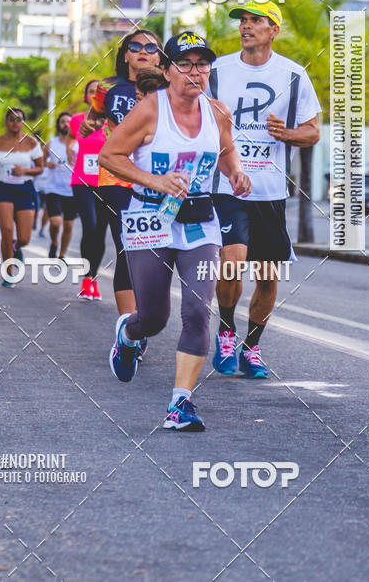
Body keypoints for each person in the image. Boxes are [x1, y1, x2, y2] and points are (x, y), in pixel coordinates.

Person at [99, 32, 250, 431]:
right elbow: (110, 156)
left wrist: (234, 171)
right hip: (149, 216)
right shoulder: (150, 110)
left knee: (199, 311)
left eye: (202, 64)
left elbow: (226, 148)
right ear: (167, 71)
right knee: (153, 317)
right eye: (185, 63)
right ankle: (129, 335)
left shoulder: (217, 112)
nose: (194, 72)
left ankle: (180, 403)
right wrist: (155, 180)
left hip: (200, 218)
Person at [207, 0, 321, 378]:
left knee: (268, 274)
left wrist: (286, 134)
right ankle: (226, 332)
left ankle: (251, 347)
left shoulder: (292, 75)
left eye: (257, 20)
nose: (246, 26)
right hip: (227, 184)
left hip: (271, 191)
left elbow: (313, 130)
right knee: (232, 261)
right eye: (243, 20)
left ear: (274, 30)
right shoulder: (218, 70)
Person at [79, 29, 163, 321]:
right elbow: (93, 118)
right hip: (116, 175)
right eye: (135, 45)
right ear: (125, 54)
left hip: (158, 178)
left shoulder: (170, 88)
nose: (143, 50)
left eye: (151, 47)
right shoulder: (107, 87)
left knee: (151, 251)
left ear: (160, 55)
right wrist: (87, 127)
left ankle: (145, 312)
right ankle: (129, 330)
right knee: (127, 244)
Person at [0, 107, 43, 286]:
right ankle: (8, 273)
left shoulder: (31, 143)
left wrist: (25, 170)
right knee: (6, 231)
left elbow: (40, 167)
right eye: (12, 119)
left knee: (24, 238)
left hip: (24, 189)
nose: (15, 123)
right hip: (3, 189)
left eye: (19, 119)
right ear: (6, 122)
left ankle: (16, 247)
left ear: (24, 122)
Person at [68, 81, 108, 300]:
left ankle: (93, 278)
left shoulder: (114, 122)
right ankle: (85, 278)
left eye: (99, 92)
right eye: (92, 92)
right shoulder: (78, 120)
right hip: (82, 181)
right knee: (90, 227)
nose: (96, 95)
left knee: (101, 233)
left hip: (106, 182)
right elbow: (80, 134)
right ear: (86, 97)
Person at [43, 112, 77, 260]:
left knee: (68, 225)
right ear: (58, 125)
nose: (66, 124)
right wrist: (46, 163)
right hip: (53, 188)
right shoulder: (51, 143)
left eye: (68, 122)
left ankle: (62, 254)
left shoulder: (77, 144)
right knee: (56, 222)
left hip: (71, 190)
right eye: (63, 121)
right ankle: (54, 242)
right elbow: (40, 162)